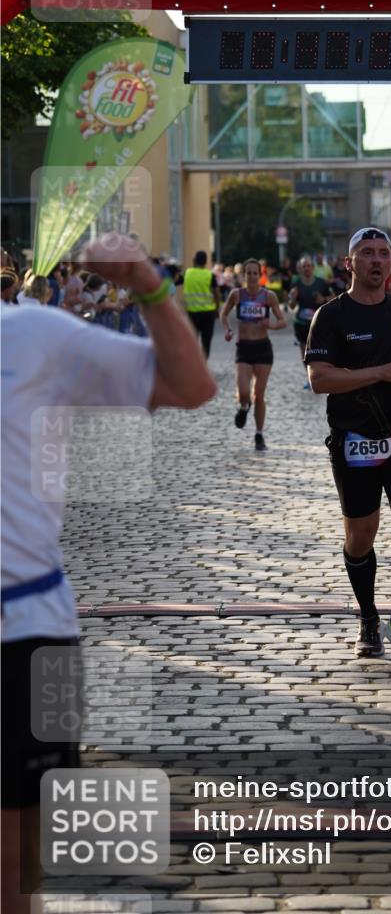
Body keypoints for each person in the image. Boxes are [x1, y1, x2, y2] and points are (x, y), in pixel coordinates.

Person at [1, 233, 216, 914]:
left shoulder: (33, 334)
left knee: (17, 859)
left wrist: (149, 286)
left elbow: (191, 386)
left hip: (31, 628)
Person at [305, 227, 391, 660]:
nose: (377, 260)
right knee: (361, 536)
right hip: (354, 439)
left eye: (383, 253)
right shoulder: (330, 315)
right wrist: (381, 372)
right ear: (350, 263)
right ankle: (367, 616)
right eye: (367, 253)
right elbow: (319, 379)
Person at [220, 257, 286, 451]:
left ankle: (259, 434)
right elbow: (223, 314)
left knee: (258, 395)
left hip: (263, 348)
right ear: (243, 275)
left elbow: (282, 321)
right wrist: (227, 330)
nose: (251, 276)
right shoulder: (236, 294)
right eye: (248, 273)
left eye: (255, 273)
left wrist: (270, 324)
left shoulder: (268, 296)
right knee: (243, 392)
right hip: (243, 348)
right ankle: (243, 407)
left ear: (260, 274)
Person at [289, 255, 334, 386]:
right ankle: (310, 378)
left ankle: (322, 375)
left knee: (321, 351)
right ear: (300, 269)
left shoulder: (321, 282)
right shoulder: (296, 284)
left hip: (318, 323)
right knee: (305, 352)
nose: (306, 268)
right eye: (304, 266)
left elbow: (334, 297)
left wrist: (323, 300)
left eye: (308, 266)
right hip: (301, 323)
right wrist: (293, 298)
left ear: (312, 267)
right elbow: (291, 306)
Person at [183, 249, 221, 359]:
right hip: (208, 314)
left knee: (192, 341)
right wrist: (217, 309)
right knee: (206, 342)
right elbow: (217, 294)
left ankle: (192, 363)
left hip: (192, 313)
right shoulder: (210, 275)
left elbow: (176, 280)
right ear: (205, 262)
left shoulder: (187, 273)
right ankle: (203, 364)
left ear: (194, 260)